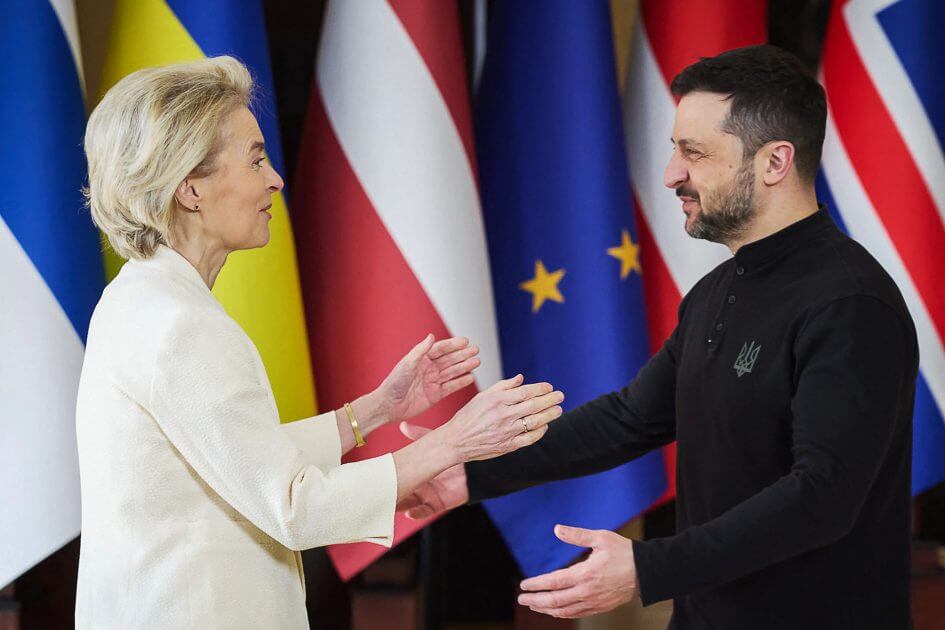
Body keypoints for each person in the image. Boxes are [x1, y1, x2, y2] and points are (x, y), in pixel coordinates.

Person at [398, 45, 919, 629]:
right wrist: (468, 472)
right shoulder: (716, 291)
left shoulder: (850, 304)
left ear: (775, 162)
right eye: (675, 149)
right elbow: (630, 418)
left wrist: (649, 568)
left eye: (694, 152)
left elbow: (823, 498)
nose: (671, 174)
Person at [74, 56, 564, 629]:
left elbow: (236, 458)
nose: (274, 180)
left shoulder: (139, 298)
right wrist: (456, 441)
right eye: (255, 159)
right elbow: (293, 506)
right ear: (190, 188)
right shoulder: (181, 325)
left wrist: (376, 410)